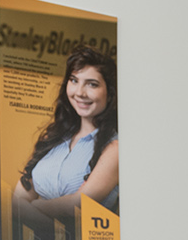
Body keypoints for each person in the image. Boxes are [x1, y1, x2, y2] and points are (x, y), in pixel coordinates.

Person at [12, 46, 119, 229]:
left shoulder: (115, 148)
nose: (79, 92)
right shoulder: (53, 137)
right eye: (74, 80)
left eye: (92, 84)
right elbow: (18, 198)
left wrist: (33, 208)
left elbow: (77, 206)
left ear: (109, 93)